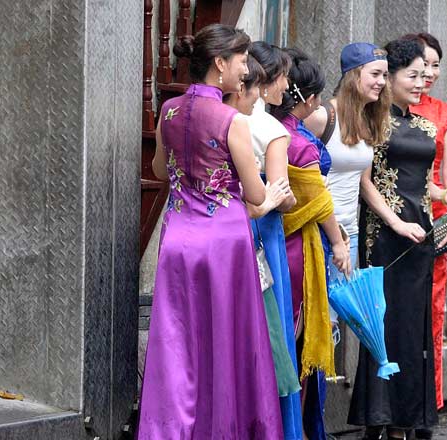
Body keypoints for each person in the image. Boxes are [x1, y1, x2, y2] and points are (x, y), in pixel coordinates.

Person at [137, 24, 283, 438]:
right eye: (241, 61)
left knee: (177, 343)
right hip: (223, 242)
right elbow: (256, 193)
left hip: (178, 239)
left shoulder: (169, 110)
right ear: (220, 63)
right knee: (226, 342)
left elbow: (159, 169)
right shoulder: (230, 119)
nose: (245, 70)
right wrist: (262, 187)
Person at [348, 39, 446, 440]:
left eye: (425, 75)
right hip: (384, 237)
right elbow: (363, 182)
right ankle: (377, 419)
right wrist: (395, 223)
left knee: (411, 328)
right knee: (382, 323)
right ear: (390, 78)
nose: (422, 83)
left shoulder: (425, 126)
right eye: (413, 75)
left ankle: (405, 419)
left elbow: (422, 184)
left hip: (420, 236)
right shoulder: (372, 121)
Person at [271, 47, 351, 439]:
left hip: (272, 240)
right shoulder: (298, 142)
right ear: (309, 97)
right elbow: (319, 201)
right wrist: (338, 243)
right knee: (296, 343)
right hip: (299, 247)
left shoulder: (262, 128)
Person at [224, 55, 303, 440]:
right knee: (272, 330)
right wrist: (299, 198)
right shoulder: (271, 128)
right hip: (262, 229)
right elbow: (279, 195)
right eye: (283, 77)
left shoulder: (223, 118)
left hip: (225, 223)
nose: (286, 86)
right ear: (263, 82)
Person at [402, 32, 447, 426]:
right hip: (398, 215)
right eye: (422, 64)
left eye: (435, 65)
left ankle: (430, 405)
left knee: (433, 311)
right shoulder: (390, 108)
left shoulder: (444, 113)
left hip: (435, 221)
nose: (429, 72)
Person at [304, 42, 391, 288]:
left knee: (342, 306)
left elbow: (364, 182)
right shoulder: (322, 116)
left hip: (349, 233)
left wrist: (396, 222)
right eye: (375, 74)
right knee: (323, 308)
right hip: (319, 230)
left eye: (385, 75)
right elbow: (302, 175)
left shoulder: (368, 120)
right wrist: (335, 239)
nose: (382, 82)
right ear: (353, 76)